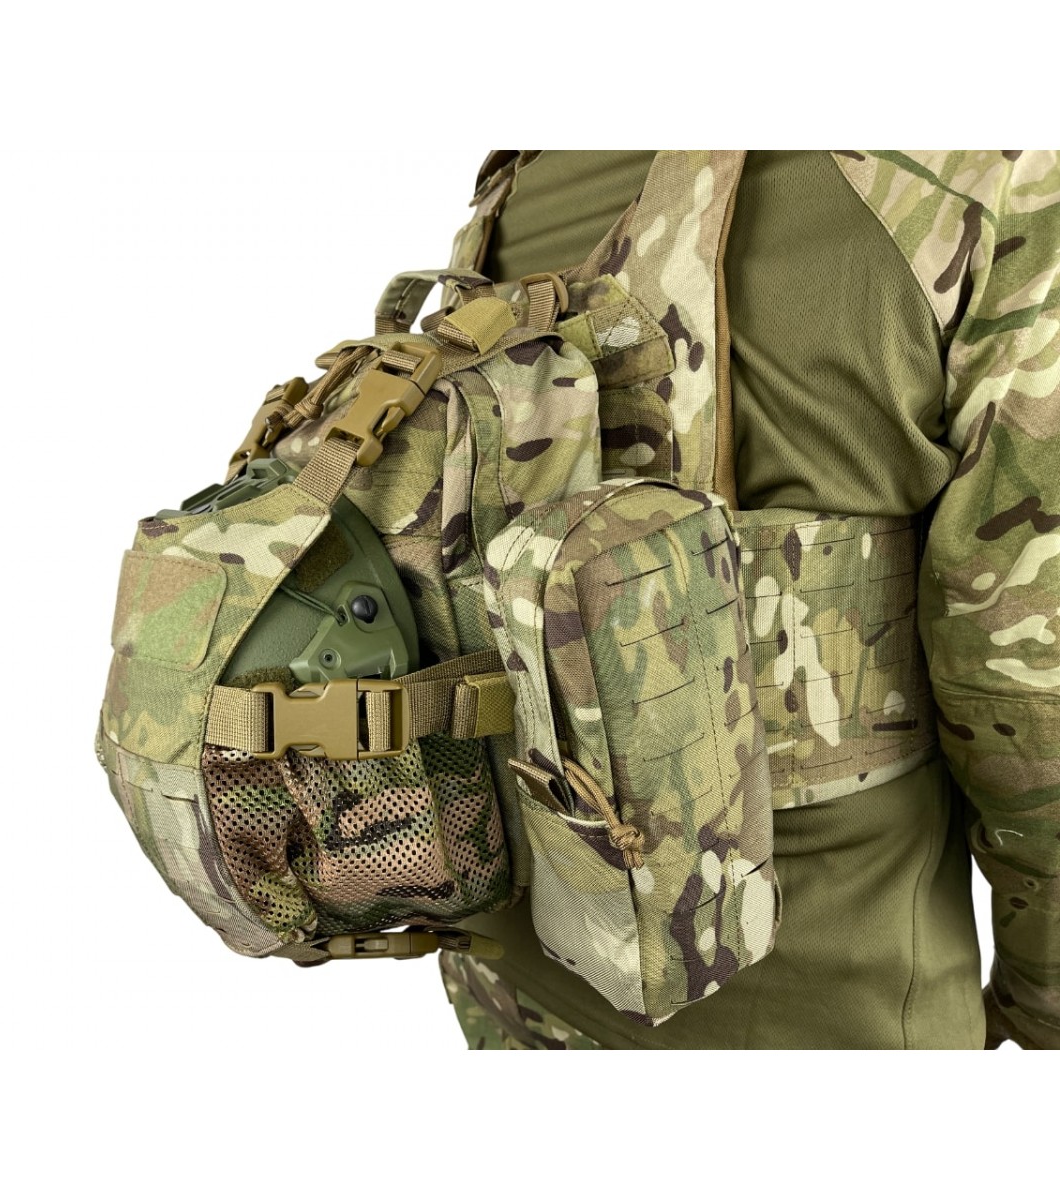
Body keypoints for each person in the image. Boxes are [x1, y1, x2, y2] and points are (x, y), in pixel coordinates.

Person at [437, 150, 1060, 1050]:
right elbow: (1028, 682)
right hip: (824, 999)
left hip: (508, 974)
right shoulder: (986, 165)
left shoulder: (525, 169)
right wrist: (1043, 1006)